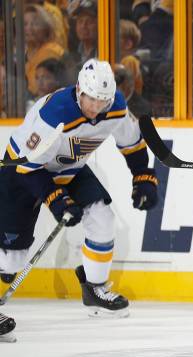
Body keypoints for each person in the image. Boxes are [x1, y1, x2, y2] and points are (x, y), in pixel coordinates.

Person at [0, 59, 159, 342]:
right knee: (11, 261)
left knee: (102, 217)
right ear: (78, 91)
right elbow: (29, 167)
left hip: (69, 169)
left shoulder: (116, 107)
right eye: (91, 100)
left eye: (102, 101)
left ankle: (95, 289)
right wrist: (56, 200)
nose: (96, 108)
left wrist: (143, 177)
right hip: (22, 171)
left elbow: (132, 145)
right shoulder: (55, 112)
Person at [24, 4, 65, 96]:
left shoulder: (52, 51)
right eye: (25, 24)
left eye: (35, 23)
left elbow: (39, 89)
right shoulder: (24, 53)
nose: (29, 28)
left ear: (46, 27)